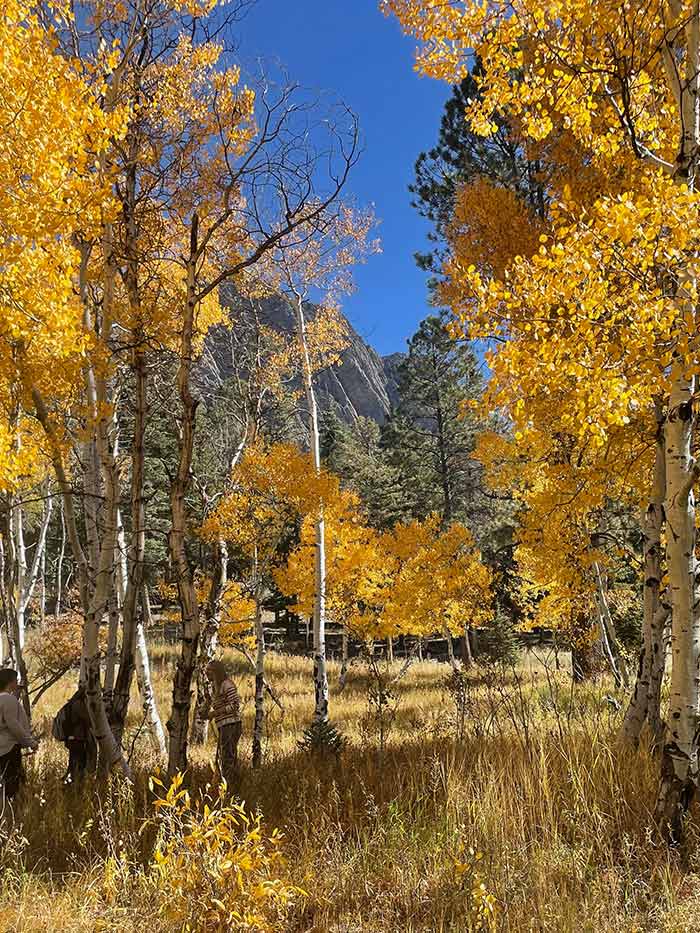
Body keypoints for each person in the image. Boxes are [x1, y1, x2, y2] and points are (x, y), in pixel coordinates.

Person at [0, 668, 38, 809]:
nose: (17, 683)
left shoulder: (4, 698)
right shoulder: (7, 699)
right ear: (10, 682)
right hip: (9, 749)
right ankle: (11, 814)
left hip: (2, 748)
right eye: (15, 680)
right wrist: (30, 743)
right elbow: (13, 725)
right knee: (12, 784)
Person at [206, 660, 242, 787]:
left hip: (231, 724)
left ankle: (230, 785)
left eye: (209, 670)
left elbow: (235, 705)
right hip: (223, 725)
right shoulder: (214, 687)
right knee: (225, 755)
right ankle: (230, 784)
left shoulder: (227, 684)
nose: (206, 673)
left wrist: (215, 713)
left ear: (216, 672)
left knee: (227, 757)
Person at [52, 686, 96, 784]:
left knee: (73, 763)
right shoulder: (78, 705)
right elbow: (89, 720)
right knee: (78, 764)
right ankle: (74, 785)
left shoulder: (72, 703)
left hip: (73, 739)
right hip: (77, 739)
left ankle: (71, 783)